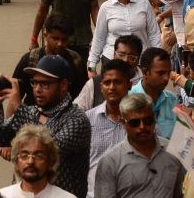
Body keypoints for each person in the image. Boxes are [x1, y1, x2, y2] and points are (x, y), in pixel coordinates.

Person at [0, 54, 91, 198]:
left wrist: (18, 107)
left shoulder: (77, 119)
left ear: (63, 85)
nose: (37, 89)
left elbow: (47, 147)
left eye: (44, 84)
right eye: (34, 83)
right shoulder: (30, 113)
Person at [94, 93, 185, 198]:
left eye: (147, 121)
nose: (142, 127)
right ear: (123, 123)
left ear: (154, 119)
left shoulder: (173, 151)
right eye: (134, 123)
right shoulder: (110, 162)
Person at [86, 0, 160, 73]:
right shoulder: (106, 7)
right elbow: (99, 37)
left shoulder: (144, 4)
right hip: (112, 60)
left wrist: (157, 57)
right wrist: (92, 64)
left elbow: (154, 33)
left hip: (140, 60)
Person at [12, 15, 88, 103]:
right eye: (55, 38)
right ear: (45, 35)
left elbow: (83, 95)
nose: (60, 43)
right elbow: (15, 93)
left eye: (64, 39)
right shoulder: (30, 59)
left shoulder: (76, 61)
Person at [83, 60, 132, 198]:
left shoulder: (141, 122)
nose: (112, 87)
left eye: (117, 82)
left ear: (129, 84)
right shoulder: (87, 120)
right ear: (100, 87)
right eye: (107, 82)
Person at [0, 124, 75, 198]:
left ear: (50, 162)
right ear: (16, 161)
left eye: (38, 156)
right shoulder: (2, 196)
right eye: (24, 156)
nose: (30, 161)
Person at [75, 35, 143, 111]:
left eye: (132, 57)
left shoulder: (145, 82)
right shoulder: (95, 83)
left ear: (138, 58)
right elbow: (77, 112)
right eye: (121, 55)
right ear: (114, 54)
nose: (125, 60)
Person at [129, 47, 177, 139]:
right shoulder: (128, 98)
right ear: (145, 72)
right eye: (161, 73)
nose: (166, 78)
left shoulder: (172, 100)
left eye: (168, 73)